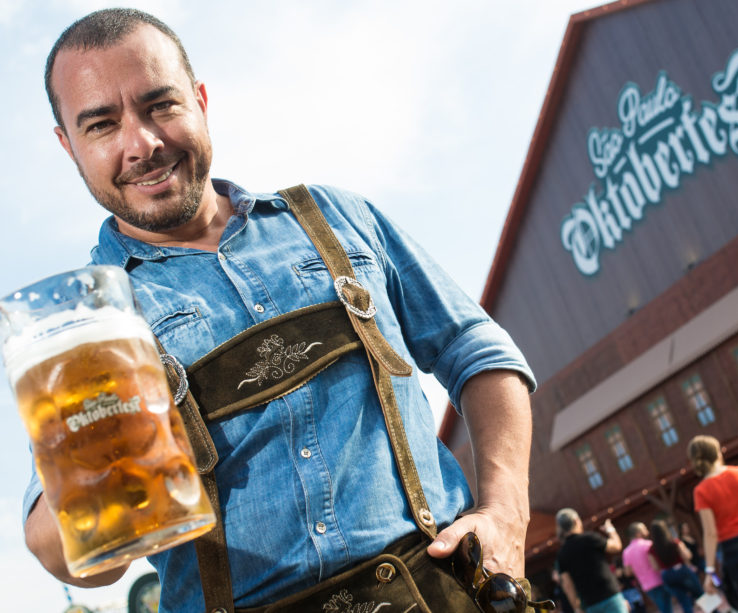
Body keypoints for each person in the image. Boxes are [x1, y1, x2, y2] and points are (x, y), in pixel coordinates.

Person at [22, 8, 538, 613]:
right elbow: (69, 558)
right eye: (102, 125)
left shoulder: (337, 217)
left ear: (200, 99)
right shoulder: (90, 325)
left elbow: (474, 347)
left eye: (160, 105)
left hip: (446, 590)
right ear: (69, 146)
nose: (142, 143)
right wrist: (95, 497)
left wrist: (506, 511)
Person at [688, 435, 738, 603]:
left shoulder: (702, 490)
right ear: (717, 452)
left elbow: (710, 534)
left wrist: (709, 571)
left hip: (735, 551)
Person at [554, 508, 627, 613]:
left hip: (590, 603)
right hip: (609, 594)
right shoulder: (590, 538)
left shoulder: (562, 554)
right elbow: (616, 546)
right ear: (576, 521)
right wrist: (610, 530)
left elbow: (567, 584)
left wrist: (576, 607)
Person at [647, 519, 703, 613]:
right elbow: (686, 556)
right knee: (700, 594)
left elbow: (656, 567)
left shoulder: (651, 550)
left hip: (667, 575)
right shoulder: (674, 542)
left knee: (684, 602)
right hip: (681, 570)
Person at [621, 522, 671, 613]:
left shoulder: (626, 552)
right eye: (644, 529)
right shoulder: (648, 545)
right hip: (659, 580)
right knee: (667, 608)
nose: (647, 531)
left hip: (646, 586)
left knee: (662, 608)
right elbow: (657, 564)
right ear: (638, 533)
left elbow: (628, 572)